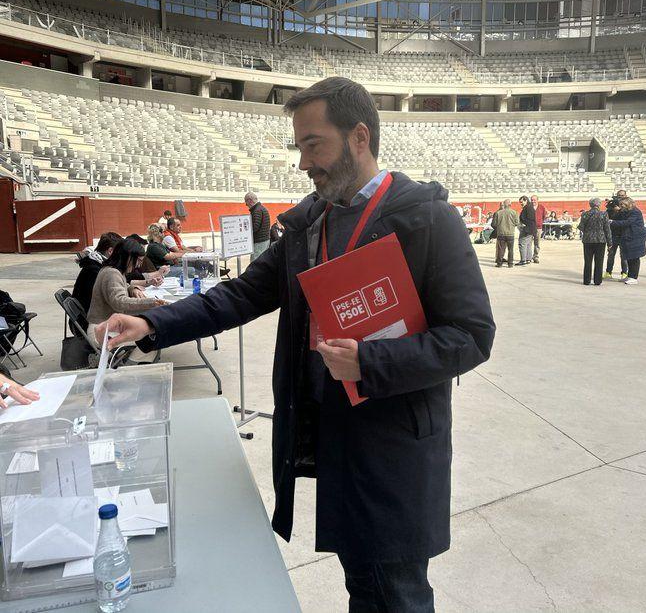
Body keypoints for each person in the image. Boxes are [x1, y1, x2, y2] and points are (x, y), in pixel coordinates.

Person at [97, 76, 496, 612]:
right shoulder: (311, 225)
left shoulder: (428, 221)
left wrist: (370, 361)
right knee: (364, 581)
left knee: (395, 590)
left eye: (314, 145)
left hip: (394, 448)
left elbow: (471, 336)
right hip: (333, 436)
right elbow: (240, 295)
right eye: (300, 147)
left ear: (359, 137)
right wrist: (153, 326)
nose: (304, 163)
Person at [86, 239, 165, 356]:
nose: (138, 265)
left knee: (147, 327)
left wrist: (132, 289)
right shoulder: (112, 273)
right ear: (128, 257)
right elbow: (120, 302)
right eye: (138, 261)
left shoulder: (112, 270)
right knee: (149, 337)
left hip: (105, 325)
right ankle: (131, 365)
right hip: (103, 330)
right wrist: (152, 303)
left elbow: (122, 286)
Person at [72, 232, 124, 316]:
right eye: (120, 252)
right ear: (110, 251)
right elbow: (110, 300)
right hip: (89, 319)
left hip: (88, 314)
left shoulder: (94, 263)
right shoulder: (94, 270)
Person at [609, 197, 646, 285]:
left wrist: (612, 222)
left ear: (628, 204)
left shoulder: (635, 212)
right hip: (628, 236)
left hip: (635, 237)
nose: (621, 206)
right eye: (620, 204)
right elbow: (617, 218)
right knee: (629, 256)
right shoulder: (624, 211)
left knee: (634, 257)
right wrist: (616, 211)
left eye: (622, 204)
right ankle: (630, 276)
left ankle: (634, 277)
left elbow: (627, 222)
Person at [578, 198, 612, 286]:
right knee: (599, 261)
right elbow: (607, 229)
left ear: (590, 205)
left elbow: (581, 227)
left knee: (588, 261)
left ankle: (586, 281)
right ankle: (597, 281)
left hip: (588, 240)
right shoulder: (603, 214)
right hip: (600, 240)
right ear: (599, 205)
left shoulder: (585, 214)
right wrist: (610, 243)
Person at [605, 190, 629, 279]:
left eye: (622, 195)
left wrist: (620, 211)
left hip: (624, 234)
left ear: (626, 195)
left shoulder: (628, 206)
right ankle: (608, 272)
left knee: (624, 256)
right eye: (619, 195)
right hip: (613, 234)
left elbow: (628, 219)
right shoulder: (611, 207)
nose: (620, 197)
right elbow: (607, 219)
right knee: (611, 254)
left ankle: (624, 273)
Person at [491, 199, 519, 267]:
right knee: (510, 250)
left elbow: (494, 224)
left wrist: (499, 226)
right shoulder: (514, 212)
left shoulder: (498, 213)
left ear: (504, 204)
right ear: (510, 204)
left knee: (501, 249)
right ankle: (510, 263)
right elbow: (517, 223)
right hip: (510, 233)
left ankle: (499, 263)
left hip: (501, 233)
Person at [244, 192, 271, 261]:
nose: (246, 205)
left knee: (255, 262)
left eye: (246, 202)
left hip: (259, 241)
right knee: (262, 261)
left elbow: (255, 227)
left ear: (250, 200)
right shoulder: (261, 208)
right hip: (265, 239)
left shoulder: (256, 210)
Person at [517, 195, 536, 265]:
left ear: (526, 200)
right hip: (531, 229)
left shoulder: (527, 208)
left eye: (522, 202)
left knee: (522, 243)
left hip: (527, 229)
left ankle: (523, 260)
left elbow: (529, 219)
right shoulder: (530, 207)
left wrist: (523, 224)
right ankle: (528, 259)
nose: (521, 203)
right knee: (528, 244)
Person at [530, 195, 546, 263]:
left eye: (534, 200)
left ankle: (535, 256)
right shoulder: (529, 207)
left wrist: (540, 222)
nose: (533, 201)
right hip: (530, 228)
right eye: (532, 200)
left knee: (537, 243)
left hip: (538, 228)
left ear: (537, 200)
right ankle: (528, 257)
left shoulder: (541, 207)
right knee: (528, 243)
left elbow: (544, 216)